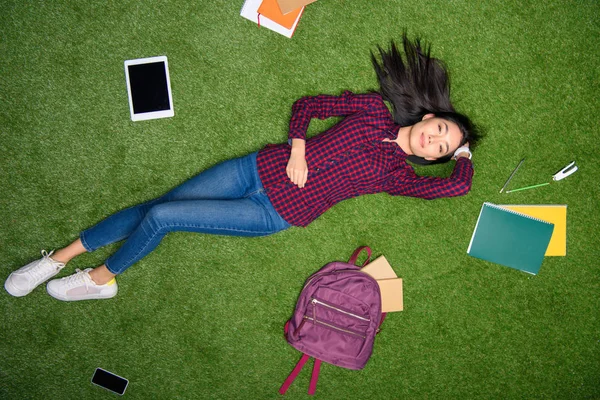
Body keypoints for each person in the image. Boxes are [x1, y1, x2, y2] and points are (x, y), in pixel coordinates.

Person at [4, 34, 480, 301]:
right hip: (254, 169)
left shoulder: (396, 176)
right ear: (428, 116)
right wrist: (297, 148)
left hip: (274, 213)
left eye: (441, 149)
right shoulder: (374, 110)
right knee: (157, 206)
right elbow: (309, 105)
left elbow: (455, 190)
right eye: (441, 130)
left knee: (164, 218)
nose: (435, 140)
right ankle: (59, 258)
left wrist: (464, 155)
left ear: (430, 158)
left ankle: (102, 278)